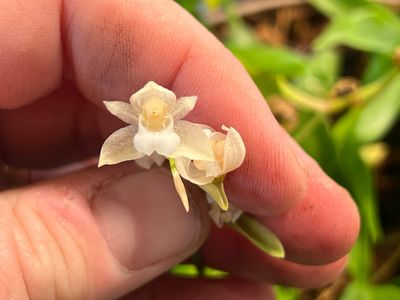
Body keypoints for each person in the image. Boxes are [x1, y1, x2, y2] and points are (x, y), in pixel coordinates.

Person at [0, 1, 359, 299]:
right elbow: (113, 152)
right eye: (149, 114)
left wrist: (213, 183)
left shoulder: (184, 134)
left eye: (160, 114)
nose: (155, 116)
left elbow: (206, 153)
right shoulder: (132, 135)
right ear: (134, 113)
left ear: (175, 111)